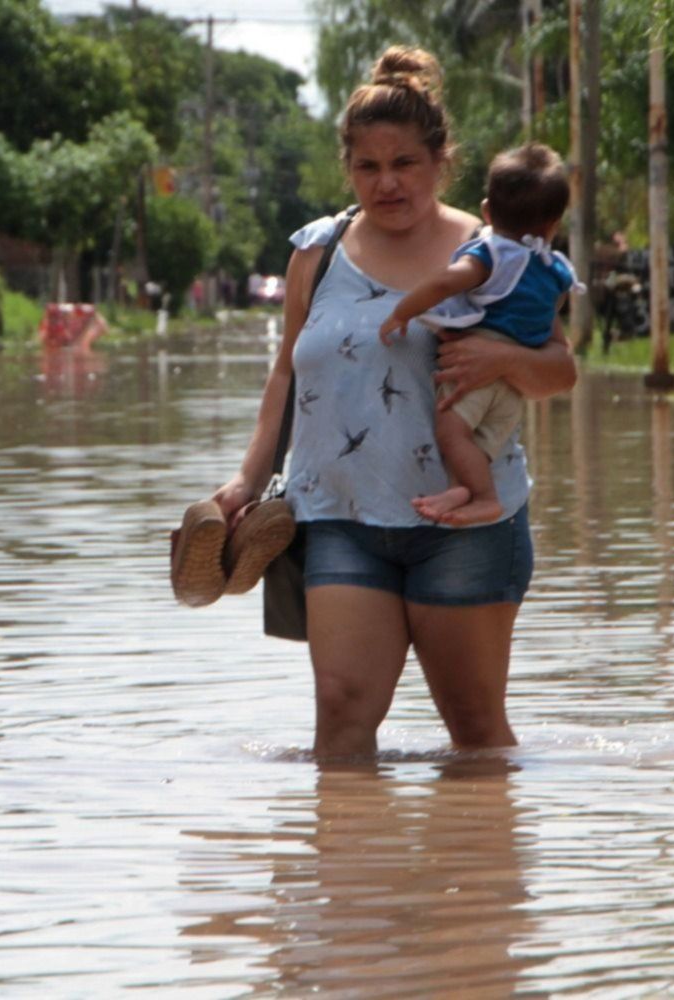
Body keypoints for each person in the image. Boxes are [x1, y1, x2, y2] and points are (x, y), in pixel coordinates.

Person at [210, 46, 577, 759]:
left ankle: (481, 865)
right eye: (368, 166)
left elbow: (559, 372)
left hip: (466, 525)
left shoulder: (493, 252)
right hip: (341, 519)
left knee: (474, 735)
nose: (387, 183)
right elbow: (285, 374)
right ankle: (352, 868)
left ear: (442, 161)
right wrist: (246, 480)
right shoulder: (317, 253)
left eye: (404, 163)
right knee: (341, 722)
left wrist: (502, 356)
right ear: (347, 168)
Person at [378, 143, 576, 526]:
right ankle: (462, 487)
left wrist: (403, 311)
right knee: (476, 444)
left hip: (475, 369)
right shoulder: (555, 272)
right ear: (553, 225)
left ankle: (483, 497)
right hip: (513, 385)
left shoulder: (495, 254)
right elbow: (549, 332)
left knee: (451, 434)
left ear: (486, 211)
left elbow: (449, 281)